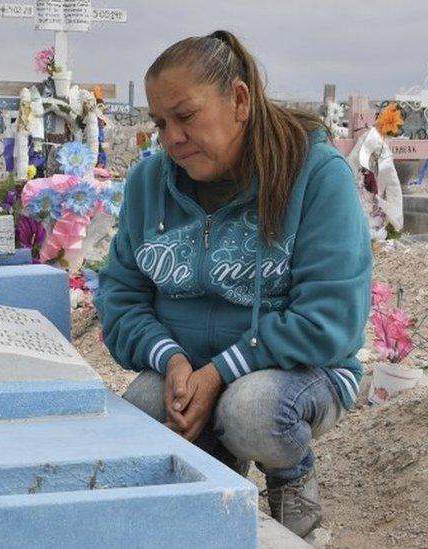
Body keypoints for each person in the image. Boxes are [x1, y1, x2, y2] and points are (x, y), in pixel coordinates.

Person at [95, 30, 372, 538]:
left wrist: (221, 372)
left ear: (240, 100)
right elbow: (120, 296)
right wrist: (172, 361)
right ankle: (212, 496)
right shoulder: (148, 184)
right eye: (160, 122)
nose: (171, 137)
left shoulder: (312, 175)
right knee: (141, 413)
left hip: (297, 373)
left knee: (252, 411)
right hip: (188, 365)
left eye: (186, 116)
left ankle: (292, 487)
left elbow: (331, 317)